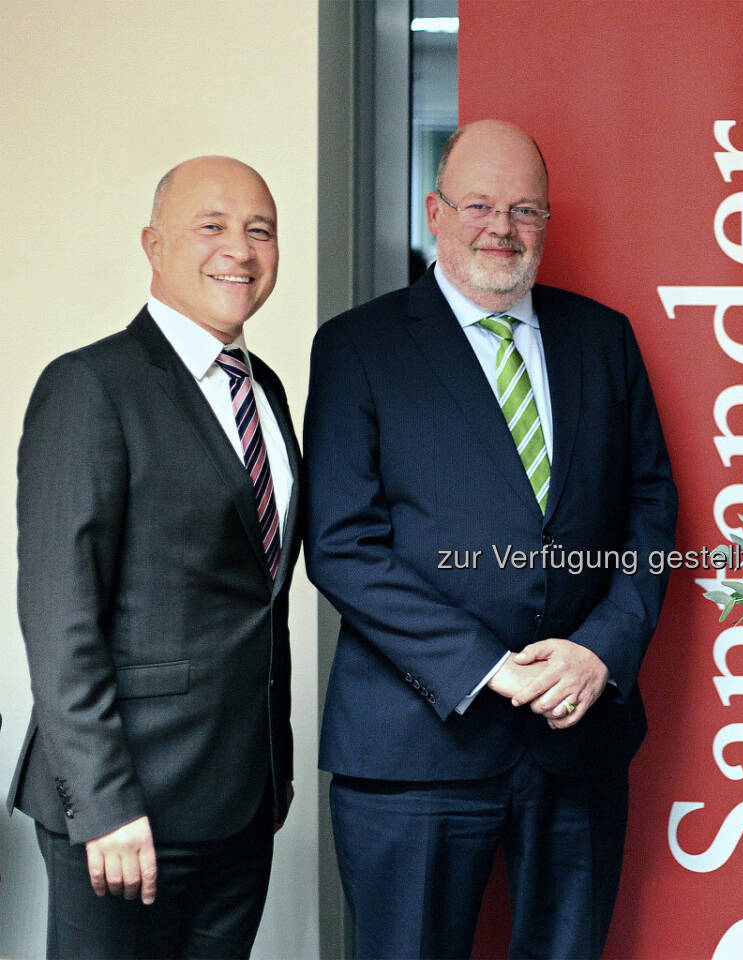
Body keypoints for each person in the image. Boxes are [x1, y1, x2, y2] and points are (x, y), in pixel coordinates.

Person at [305, 119, 677, 959]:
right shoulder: (358, 347)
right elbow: (340, 544)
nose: (501, 228)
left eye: (524, 209)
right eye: (478, 204)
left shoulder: (604, 339)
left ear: (547, 221)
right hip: (414, 746)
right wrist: (486, 666)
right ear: (434, 212)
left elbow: (651, 510)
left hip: (577, 737)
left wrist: (602, 651)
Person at [8, 156, 300, 958]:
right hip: (126, 814)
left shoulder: (265, 391)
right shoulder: (90, 386)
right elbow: (59, 614)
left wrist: (271, 773)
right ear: (154, 243)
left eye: (260, 230)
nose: (238, 249)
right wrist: (103, 804)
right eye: (211, 226)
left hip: (241, 801)